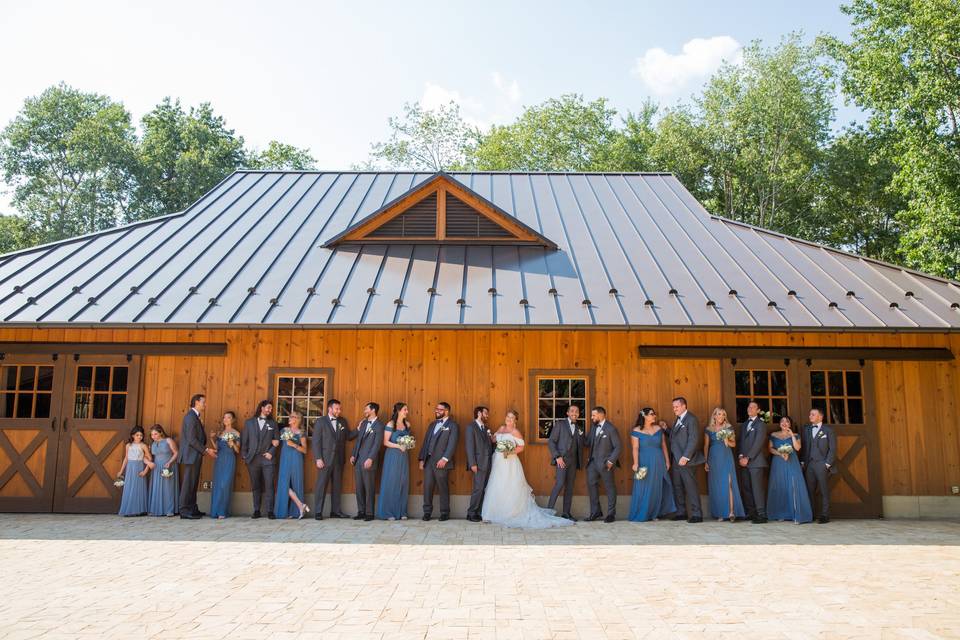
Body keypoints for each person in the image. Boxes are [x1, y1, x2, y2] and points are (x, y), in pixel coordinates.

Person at [481, 410, 573, 529]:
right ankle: (492, 514)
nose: (509, 419)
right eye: (508, 417)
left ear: (515, 420)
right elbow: (494, 440)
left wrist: (510, 452)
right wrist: (490, 435)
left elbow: (521, 447)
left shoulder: (515, 432)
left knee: (510, 486)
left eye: (512, 417)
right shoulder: (501, 428)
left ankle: (511, 513)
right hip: (498, 460)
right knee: (497, 485)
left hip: (510, 462)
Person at [627, 408, 676, 522]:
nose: (654, 416)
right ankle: (642, 512)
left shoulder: (658, 428)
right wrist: (635, 463)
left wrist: (667, 461)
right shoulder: (636, 430)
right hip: (643, 461)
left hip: (658, 461)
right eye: (652, 414)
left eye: (654, 414)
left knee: (656, 487)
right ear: (644, 416)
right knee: (643, 486)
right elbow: (635, 448)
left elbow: (664, 445)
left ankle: (655, 513)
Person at [311, 398, 353, 520]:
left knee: (337, 486)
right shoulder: (321, 421)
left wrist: (359, 429)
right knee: (321, 485)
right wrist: (318, 458)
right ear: (330, 409)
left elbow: (349, 436)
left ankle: (335, 511)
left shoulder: (343, 421)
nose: (339, 411)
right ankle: (318, 511)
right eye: (337, 409)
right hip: (324, 459)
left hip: (339, 459)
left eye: (340, 409)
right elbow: (316, 442)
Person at [766, 416, 813, 524]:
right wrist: (780, 454)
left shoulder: (796, 435)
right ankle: (780, 514)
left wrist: (792, 435)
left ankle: (797, 514)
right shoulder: (774, 435)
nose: (784, 423)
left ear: (790, 424)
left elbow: (797, 448)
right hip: (778, 463)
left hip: (792, 462)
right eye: (782, 421)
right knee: (780, 486)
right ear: (779, 423)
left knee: (794, 485)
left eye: (787, 421)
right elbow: (770, 449)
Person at [418, 402, 459, 521]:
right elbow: (426, 442)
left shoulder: (453, 425)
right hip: (429, 460)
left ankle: (445, 512)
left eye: (440, 409)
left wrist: (445, 459)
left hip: (442, 462)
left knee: (443, 487)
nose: (437, 411)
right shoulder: (432, 424)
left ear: (447, 411)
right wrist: (421, 459)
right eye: (436, 409)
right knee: (427, 487)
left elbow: (452, 443)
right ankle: (427, 512)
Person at [178, 394, 216, 520]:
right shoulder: (190, 417)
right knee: (188, 483)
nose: (205, 404)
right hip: (191, 455)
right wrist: (206, 450)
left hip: (195, 454)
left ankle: (193, 509)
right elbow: (191, 439)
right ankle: (184, 510)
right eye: (203, 402)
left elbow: (198, 437)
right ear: (196, 402)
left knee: (193, 483)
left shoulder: (196, 417)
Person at [705, 407, 746, 522]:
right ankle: (721, 513)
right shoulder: (709, 429)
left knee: (729, 483)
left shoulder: (728, 427)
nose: (721, 416)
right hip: (713, 458)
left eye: (723, 415)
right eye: (719, 414)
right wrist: (706, 461)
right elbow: (706, 446)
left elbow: (733, 444)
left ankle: (731, 512)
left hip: (726, 457)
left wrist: (726, 440)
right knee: (717, 485)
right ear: (714, 416)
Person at [241, 400, 279, 519]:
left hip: (267, 459)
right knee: (255, 485)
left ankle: (270, 511)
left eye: (271, 409)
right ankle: (256, 510)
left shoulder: (273, 424)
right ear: (261, 408)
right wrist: (245, 455)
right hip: (252, 459)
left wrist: (271, 452)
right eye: (268, 408)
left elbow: (277, 441)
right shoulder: (249, 423)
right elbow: (244, 441)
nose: (269, 410)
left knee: (269, 485)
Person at [668, 396, 704, 523]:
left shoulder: (691, 419)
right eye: (673, 407)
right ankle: (681, 512)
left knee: (690, 486)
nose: (674, 409)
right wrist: (666, 429)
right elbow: (676, 437)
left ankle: (697, 514)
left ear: (684, 406)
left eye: (676, 406)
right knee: (677, 486)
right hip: (676, 460)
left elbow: (693, 439)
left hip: (686, 460)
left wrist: (686, 456)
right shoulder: (677, 420)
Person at [547, 404, 585, 521]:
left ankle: (566, 513)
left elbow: (582, 443)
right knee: (559, 484)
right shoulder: (560, 424)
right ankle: (549, 511)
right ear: (567, 413)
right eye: (572, 411)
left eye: (577, 411)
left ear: (579, 414)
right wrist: (557, 457)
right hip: (561, 460)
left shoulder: (579, 428)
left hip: (573, 461)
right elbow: (552, 441)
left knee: (570, 487)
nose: (575, 413)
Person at [584, 406, 621, 523]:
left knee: (610, 487)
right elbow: (587, 442)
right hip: (592, 463)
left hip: (606, 464)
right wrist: (576, 434)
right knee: (591, 485)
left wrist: (610, 461)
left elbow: (618, 447)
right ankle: (595, 511)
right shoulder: (593, 427)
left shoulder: (611, 428)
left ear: (600, 415)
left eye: (593, 415)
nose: (591, 417)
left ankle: (611, 514)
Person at [377, 402, 413, 520]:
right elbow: (385, 442)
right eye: (405, 409)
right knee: (391, 482)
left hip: (403, 456)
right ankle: (389, 512)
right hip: (392, 455)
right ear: (398, 411)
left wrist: (409, 443)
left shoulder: (407, 424)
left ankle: (402, 511)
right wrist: (399, 446)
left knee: (403, 482)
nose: (407, 412)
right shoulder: (390, 424)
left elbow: (408, 439)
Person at [801, 407, 837, 524]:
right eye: (810, 414)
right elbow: (805, 447)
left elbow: (833, 449)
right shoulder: (806, 430)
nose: (810, 416)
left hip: (822, 464)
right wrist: (803, 462)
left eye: (813, 414)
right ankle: (811, 514)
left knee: (823, 490)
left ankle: (825, 515)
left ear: (820, 417)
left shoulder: (828, 431)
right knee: (809, 490)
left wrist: (827, 464)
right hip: (809, 464)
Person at [351, 402, 384, 521]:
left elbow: (377, 444)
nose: (364, 411)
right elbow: (358, 440)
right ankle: (361, 511)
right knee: (359, 487)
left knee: (369, 487)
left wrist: (370, 458)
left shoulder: (380, 426)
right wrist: (353, 455)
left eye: (366, 409)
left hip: (369, 460)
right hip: (358, 460)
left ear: (373, 410)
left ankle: (369, 513)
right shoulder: (364, 423)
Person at [737, 400, 769, 524]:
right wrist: (740, 456)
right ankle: (751, 512)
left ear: (758, 411)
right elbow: (741, 442)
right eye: (749, 407)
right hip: (743, 461)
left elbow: (758, 443)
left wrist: (748, 458)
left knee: (757, 488)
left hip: (755, 461)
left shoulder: (761, 424)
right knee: (746, 488)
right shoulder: (744, 424)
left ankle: (762, 514)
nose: (749, 409)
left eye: (753, 407)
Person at [274, 411, 309, 519]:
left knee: (296, 483)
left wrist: (294, 444)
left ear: (297, 419)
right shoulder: (284, 430)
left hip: (296, 458)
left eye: (292, 416)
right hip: (285, 458)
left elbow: (305, 450)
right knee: (283, 483)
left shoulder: (301, 433)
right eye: (290, 416)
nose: (289, 418)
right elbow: (276, 441)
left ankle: (295, 512)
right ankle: (300, 505)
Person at [464, 405, 494, 522]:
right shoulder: (471, 427)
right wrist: (472, 463)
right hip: (478, 464)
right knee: (478, 488)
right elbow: (469, 446)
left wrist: (493, 441)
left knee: (483, 488)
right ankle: (471, 513)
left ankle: (478, 512)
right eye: (486, 413)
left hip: (488, 463)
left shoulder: (486, 428)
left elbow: (489, 446)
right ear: (479, 413)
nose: (487, 415)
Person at [209, 411, 240, 519]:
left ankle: (222, 511)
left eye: (229, 417)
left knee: (225, 484)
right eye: (224, 417)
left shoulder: (236, 433)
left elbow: (238, 451)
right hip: (220, 460)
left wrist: (233, 444)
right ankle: (215, 510)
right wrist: (212, 439)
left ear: (233, 420)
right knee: (218, 485)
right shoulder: (220, 433)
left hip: (229, 459)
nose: (226, 419)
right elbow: (217, 449)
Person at [118, 426, 153, 516]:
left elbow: (150, 458)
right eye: (137, 435)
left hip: (139, 467)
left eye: (141, 435)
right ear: (133, 435)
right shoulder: (128, 445)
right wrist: (121, 471)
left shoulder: (143, 446)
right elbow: (126, 458)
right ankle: (129, 510)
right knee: (129, 488)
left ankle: (138, 510)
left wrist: (145, 471)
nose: (139, 437)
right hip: (130, 468)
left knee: (138, 488)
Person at [147, 425, 179, 517]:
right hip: (157, 467)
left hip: (168, 466)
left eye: (155, 434)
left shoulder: (168, 440)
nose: (153, 436)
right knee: (156, 487)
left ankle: (169, 510)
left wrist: (170, 462)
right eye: (152, 434)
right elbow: (149, 456)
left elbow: (176, 452)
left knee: (168, 488)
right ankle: (155, 509)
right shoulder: (152, 444)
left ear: (161, 432)